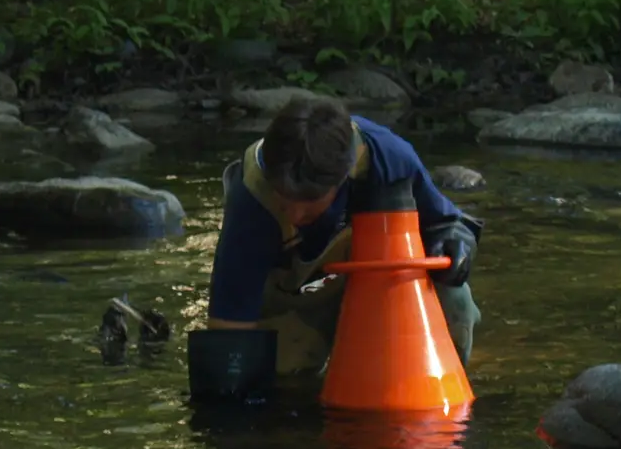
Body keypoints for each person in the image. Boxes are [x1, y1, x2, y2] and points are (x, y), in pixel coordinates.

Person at [197, 95, 482, 379]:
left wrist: (457, 245)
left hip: (381, 284)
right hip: (294, 301)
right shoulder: (250, 200)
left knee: (455, 300)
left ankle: (441, 383)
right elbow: (230, 328)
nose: (295, 214)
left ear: (342, 177)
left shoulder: (386, 157)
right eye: (284, 199)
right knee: (283, 385)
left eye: (309, 200)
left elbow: (445, 223)